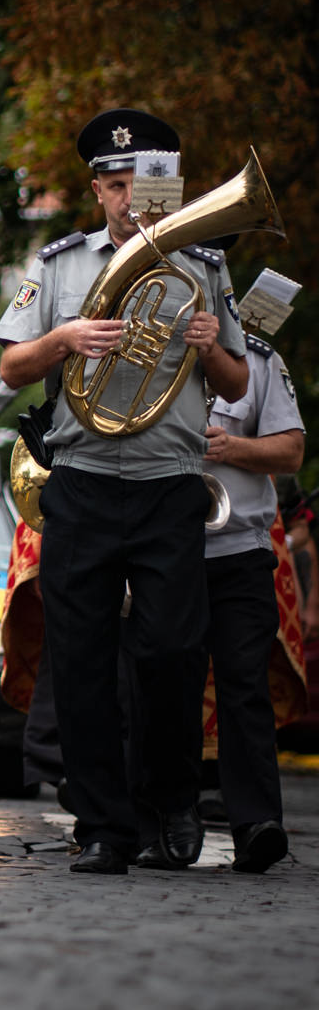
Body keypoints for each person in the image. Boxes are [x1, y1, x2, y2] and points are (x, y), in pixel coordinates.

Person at [0, 108, 247, 874]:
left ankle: (170, 801)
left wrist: (209, 348)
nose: (127, 200)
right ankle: (104, 822)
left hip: (170, 485)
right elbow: (11, 369)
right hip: (84, 481)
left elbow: (236, 379)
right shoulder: (63, 263)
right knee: (81, 660)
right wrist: (64, 339)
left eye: (139, 184)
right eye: (112, 186)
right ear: (95, 190)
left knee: (172, 651)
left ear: (162, 186)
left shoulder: (201, 264)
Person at [194, 324, 304, 872]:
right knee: (156, 683)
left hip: (238, 548)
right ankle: (163, 821)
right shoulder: (135, 349)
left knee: (244, 688)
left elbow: (292, 452)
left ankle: (258, 823)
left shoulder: (257, 357)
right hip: (161, 551)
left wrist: (232, 446)